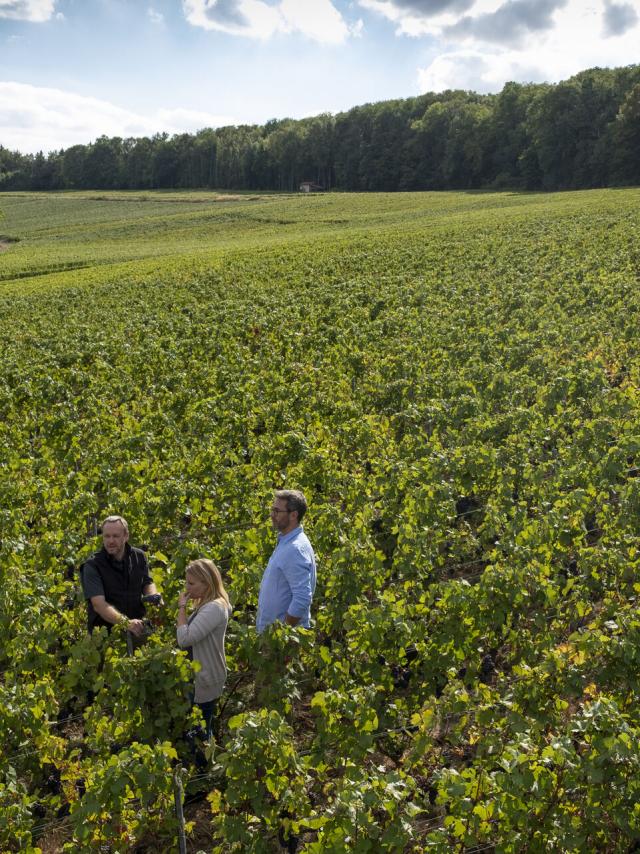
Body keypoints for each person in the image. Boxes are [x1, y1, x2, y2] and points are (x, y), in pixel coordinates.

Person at [176, 559, 232, 738]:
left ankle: (202, 764)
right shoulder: (208, 605)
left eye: (191, 583)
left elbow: (184, 639)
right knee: (198, 729)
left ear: (207, 583)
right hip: (200, 677)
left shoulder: (214, 608)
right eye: (187, 582)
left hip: (205, 679)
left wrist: (182, 608)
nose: (187, 587)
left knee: (199, 732)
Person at [81, 514, 160, 635]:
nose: (111, 541)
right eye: (107, 536)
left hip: (137, 630)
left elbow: (147, 582)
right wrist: (126, 623)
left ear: (126, 536)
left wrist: (153, 595)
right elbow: (99, 605)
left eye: (115, 536)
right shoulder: (92, 565)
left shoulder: (139, 556)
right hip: (106, 637)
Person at [256, 489, 317, 633]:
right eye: (272, 509)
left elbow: (302, 598)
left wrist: (283, 634)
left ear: (293, 515)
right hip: (274, 636)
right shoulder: (287, 542)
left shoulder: (294, 549)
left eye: (277, 511)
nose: (272, 515)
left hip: (282, 642)